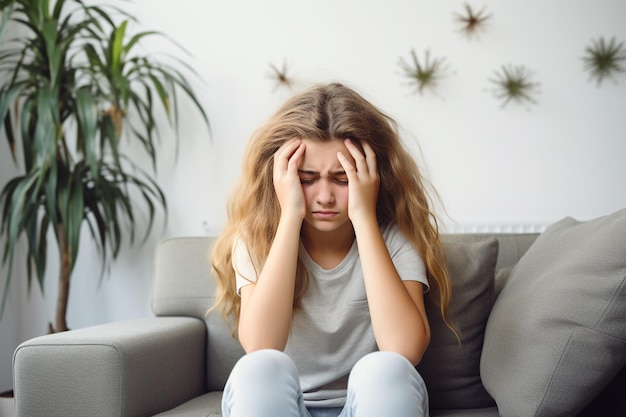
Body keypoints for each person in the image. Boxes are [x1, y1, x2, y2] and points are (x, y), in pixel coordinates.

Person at [211, 82, 453, 417]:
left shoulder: (396, 239)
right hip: (285, 407)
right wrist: (290, 216)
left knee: (386, 369)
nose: (325, 196)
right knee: (259, 368)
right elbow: (260, 346)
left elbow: (404, 350)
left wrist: (364, 217)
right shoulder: (255, 240)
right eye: (308, 179)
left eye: (342, 179)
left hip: (367, 406)